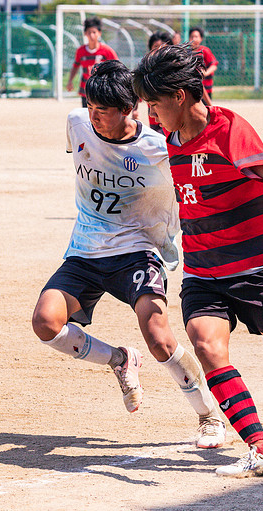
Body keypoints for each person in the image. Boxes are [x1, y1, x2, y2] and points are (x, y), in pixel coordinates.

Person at [132, 44, 263, 477]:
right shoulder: (167, 137)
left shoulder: (227, 127)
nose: (151, 113)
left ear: (179, 97)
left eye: (155, 104)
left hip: (252, 271)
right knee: (206, 346)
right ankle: (262, 449)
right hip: (203, 272)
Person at [33, 60, 226, 449]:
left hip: (138, 251)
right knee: (45, 322)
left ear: (130, 109)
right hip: (85, 250)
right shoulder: (76, 123)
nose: (94, 116)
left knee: (159, 339)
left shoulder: (158, 148)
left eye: (103, 110)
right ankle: (119, 360)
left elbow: (202, 170)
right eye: (90, 106)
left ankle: (210, 416)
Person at [65, 17, 118, 108]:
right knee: (87, 116)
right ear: (85, 34)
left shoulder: (106, 50)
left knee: (101, 116)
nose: (91, 35)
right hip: (85, 90)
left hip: (102, 90)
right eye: (89, 32)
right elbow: (75, 66)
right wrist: (70, 81)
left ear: (99, 33)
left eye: (94, 32)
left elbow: (117, 66)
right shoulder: (81, 51)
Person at [188, 27, 218, 105]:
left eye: (196, 36)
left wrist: (205, 73)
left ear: (201, 39)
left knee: (206, 109)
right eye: (192, 36)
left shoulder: (204, 51)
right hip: (191, 89)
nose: (193, 39)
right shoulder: (186, 53)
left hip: (206, 87)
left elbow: (214, 65)